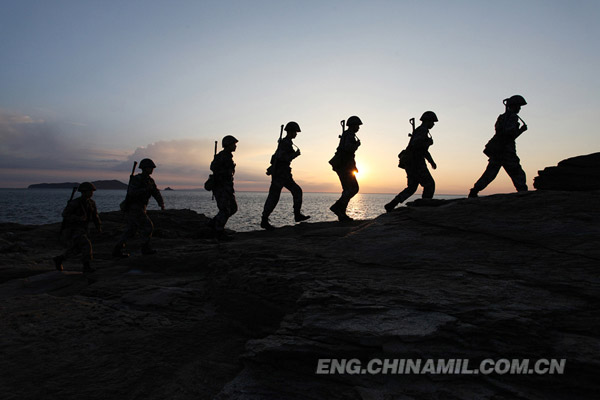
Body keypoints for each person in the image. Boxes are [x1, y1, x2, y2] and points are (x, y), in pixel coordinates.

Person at [469, 95, 528, 198]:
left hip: (498, 151)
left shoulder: (502, 117)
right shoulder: (512, 117)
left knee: (490, 173)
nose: (519, 108)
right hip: (506, 151)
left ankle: (474, 191)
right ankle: (523, 193)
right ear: (513, 106)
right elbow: (509, 135)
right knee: (517, 174)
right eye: (518, 106)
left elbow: (500, 132)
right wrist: (521, 131)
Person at [385, 111, 438, 212]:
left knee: (412, 187)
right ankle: (424, 206)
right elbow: (417, 146)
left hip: (412, 163)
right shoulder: (422, 131)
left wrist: (431, 161)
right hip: (416, 163)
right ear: (427, 121)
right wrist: (428, 143)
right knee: (429, 184)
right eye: (432, 122)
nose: (433, 124)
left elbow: (423, 150)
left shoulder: (421, 131)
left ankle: (392, 204)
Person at [261, 122, 310, 230]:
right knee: (274, 197)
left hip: (284, 174)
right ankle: (264, 220)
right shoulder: (285, 143)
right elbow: (283, 158)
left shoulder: (286, 143)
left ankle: (297, 215)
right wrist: (295, 155)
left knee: (295, 191)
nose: (296, 134)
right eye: (295, 132)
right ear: (290, 132)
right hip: (280, 174)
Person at [112, 158, 165, 257]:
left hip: (141, 207)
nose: (152, 170)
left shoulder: (150, 181)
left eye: (152, 168)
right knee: (148, 226)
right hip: (134, 207)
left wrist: (161, 203)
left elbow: (155, 192)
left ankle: (117, 249)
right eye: (150, 168)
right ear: (144, 168)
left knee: (131, 230)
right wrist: (145, 190)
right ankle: (145, 248)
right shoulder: (137, 179)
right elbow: (132, 193)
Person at [53, 182, 102, 274]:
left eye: (92, 191)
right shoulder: (75, 203)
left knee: (77, 249)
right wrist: (77, 218)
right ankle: (86, 266)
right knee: (86, 245)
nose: (91, 193)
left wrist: (98, 226)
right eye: (89, 191)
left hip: (84, 229)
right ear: (83, 192)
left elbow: (95, 216)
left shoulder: (91, 203)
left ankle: (60, 259)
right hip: (74, 229)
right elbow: (65, 214)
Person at [329, 116, 362, 221]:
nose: (359, 128)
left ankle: (341, 213)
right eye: (357, 125)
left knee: (348, 190)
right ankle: (337, 207)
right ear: (353, 125)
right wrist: (357, 145)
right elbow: (348, 149)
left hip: (345, 166)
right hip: (344, 167)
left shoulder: (347, 135)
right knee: (353, 188)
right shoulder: (349, 135)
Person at [208, 135, 238, 240]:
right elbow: (213, 168)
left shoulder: (228, 156)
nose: (235, 146)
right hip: (221, 187)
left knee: (233, 208)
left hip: (227, 187)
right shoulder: (222, 156)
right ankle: (218, 231)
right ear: (228, 144)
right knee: (225, 209)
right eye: (233, 144)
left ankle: (214, 223)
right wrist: (222, 173)